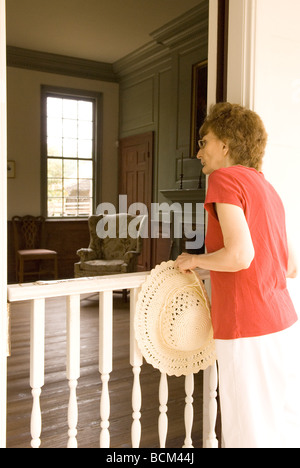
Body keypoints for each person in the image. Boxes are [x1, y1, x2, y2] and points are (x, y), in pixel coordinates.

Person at [174, 102, 300, 448]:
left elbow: (240, 255)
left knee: (248, 434)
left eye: (204, 142)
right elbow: (291, 267)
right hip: (283, 323)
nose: (199, 151)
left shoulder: (224, 178)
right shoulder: (267, 188)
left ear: (225, 145)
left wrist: (195, 260)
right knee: (284, 428)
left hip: (247, 327)